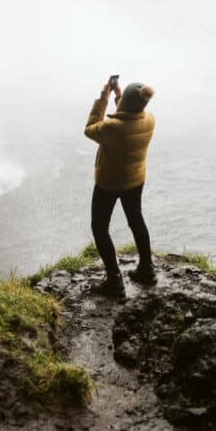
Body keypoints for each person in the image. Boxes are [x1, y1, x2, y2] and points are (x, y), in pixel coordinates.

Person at [84, 78, 157, 298]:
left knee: (99, 227)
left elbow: (90, 129)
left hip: (110, 182)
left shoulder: (111, 127)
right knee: (136, 220)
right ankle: (147, 269)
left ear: (124, 101)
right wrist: (119, 97)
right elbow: (129, 117)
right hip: (135, 180)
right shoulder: (149, 120)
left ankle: (114, 281)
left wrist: (103, 100)